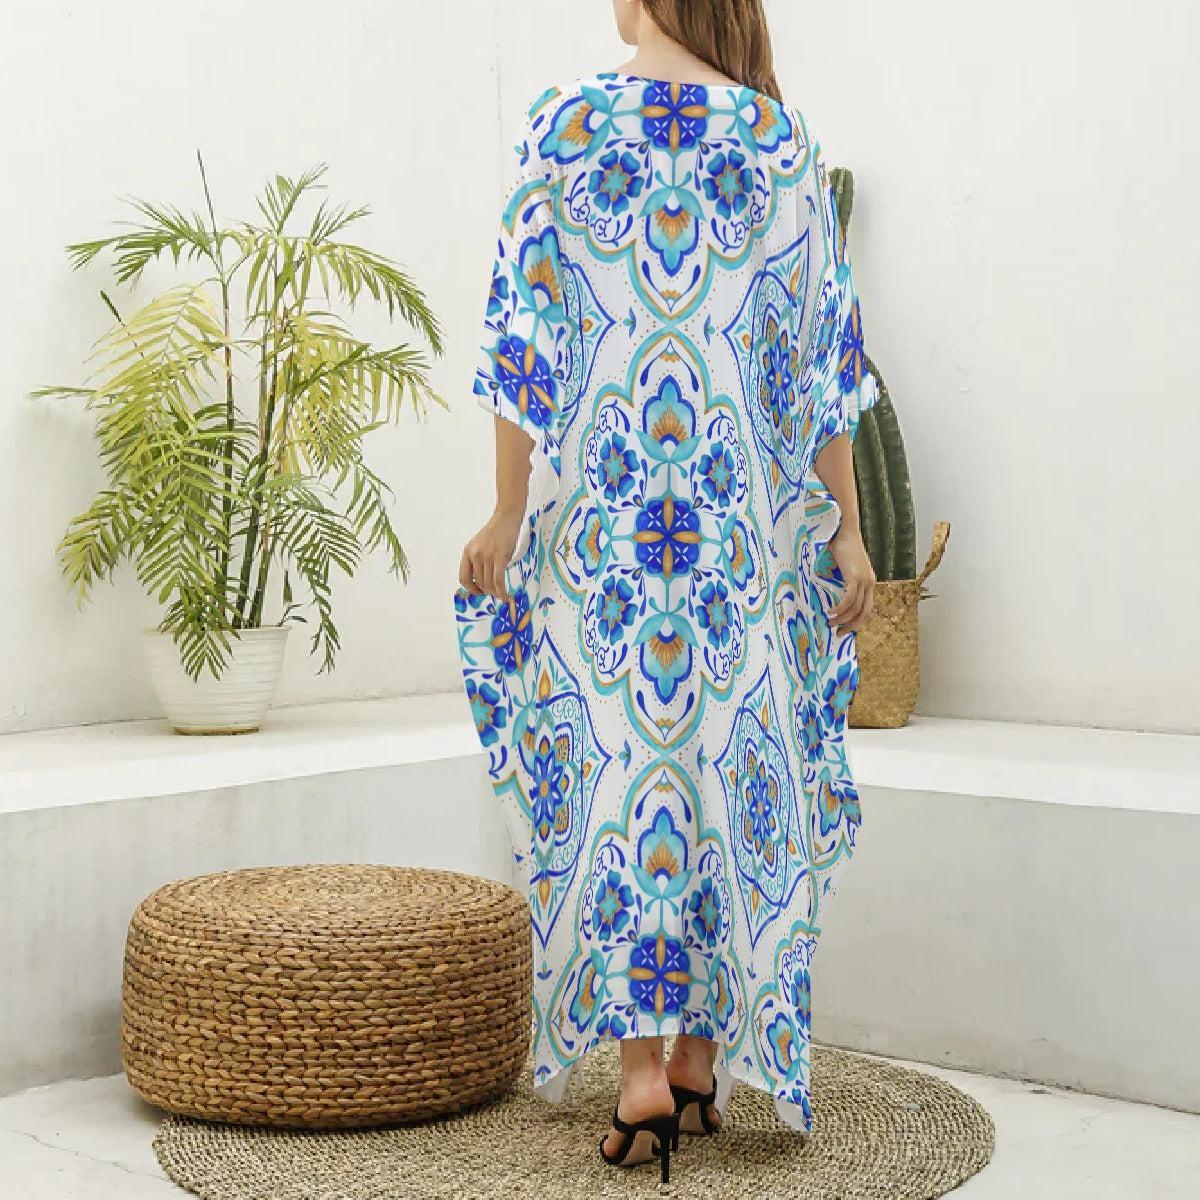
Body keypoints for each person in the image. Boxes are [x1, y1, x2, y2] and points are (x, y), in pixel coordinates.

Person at [455, 0, 877, 1183]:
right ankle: (699, 1061)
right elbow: (824, 363)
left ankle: (642, 1073)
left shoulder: (564, 126)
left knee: (621, 773)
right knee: (726, 772)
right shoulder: (780, 142)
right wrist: (846, 529)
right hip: (735, 547)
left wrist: (506, 512)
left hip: (610, 541)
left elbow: (523, 347)